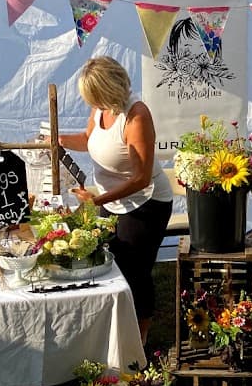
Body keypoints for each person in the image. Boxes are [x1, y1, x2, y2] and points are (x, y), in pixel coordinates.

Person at [59, 56, 173, 345]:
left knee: (135, 270)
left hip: (145, 203)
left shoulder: (137, 116)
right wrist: (59, 140)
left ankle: (140, 336)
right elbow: (88, 139)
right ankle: (114, 327)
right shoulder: (100, 108)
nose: (92, 103)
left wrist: (99, 199)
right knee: (109, 263)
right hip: (111, 200)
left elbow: (141, 179)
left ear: (110, 90)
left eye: (95, 97)